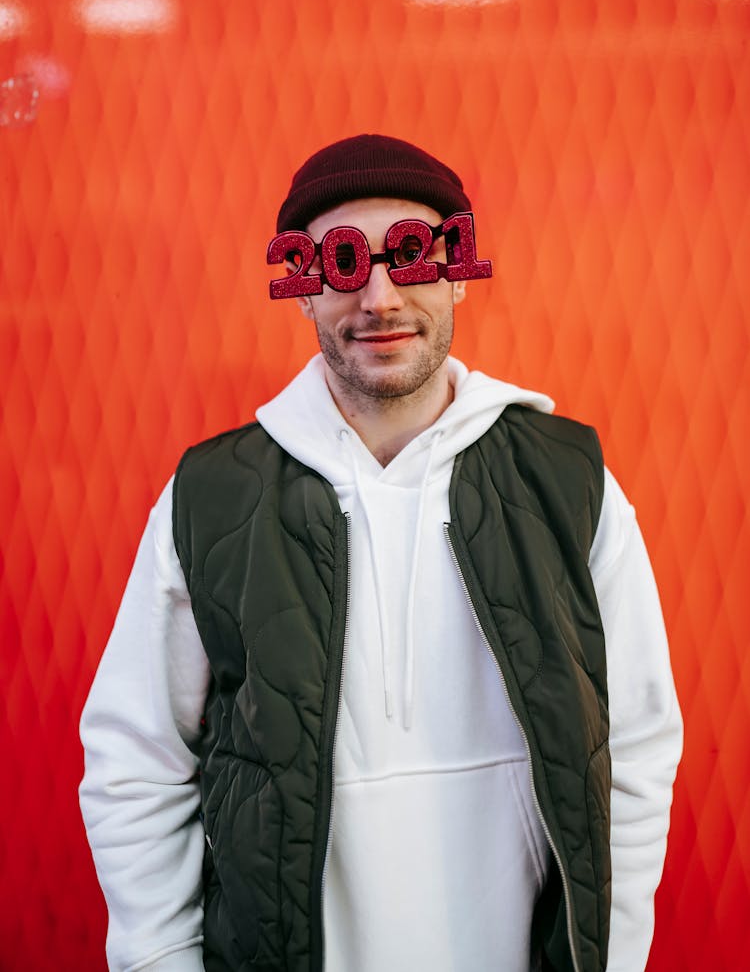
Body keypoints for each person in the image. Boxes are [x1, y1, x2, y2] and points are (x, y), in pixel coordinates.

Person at [79, 134, 682, 972]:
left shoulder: (568, 480)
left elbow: (637, 748)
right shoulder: (211, 497)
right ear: (302, 291)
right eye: (339, 263)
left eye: (411, 253)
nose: (380, 295)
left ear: (455, 272)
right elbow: (134, 760)